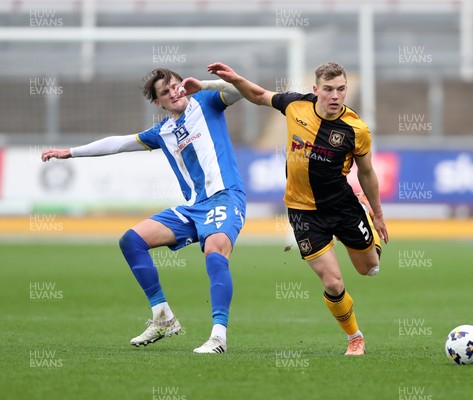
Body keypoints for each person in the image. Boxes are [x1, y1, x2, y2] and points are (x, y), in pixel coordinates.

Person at [41, 68, 246, 354]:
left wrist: (203, 84)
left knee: (214, 254)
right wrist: (71, 152)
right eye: (165, 92)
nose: (174, 92)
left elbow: (240, 90)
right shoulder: (162, 131)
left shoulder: (207, 102)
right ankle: (163, 316)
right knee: (132, 240)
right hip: (194, 207)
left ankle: (218, 336)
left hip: (226, 197)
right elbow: (118, 143)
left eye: (176, 86)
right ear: (158, 103)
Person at [207, 61, 389, 356]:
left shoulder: (356, 129)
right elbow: (258, 95)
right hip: (302, 212)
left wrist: (378, 215)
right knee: (332, 282)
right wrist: (237, 78)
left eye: (341, 89)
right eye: (328, 89)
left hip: (344, 208)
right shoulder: (295, 105)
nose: (335, 95)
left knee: (369, 269)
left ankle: (366, 228)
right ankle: (355, 337)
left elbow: (366, 173)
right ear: (316, 89)